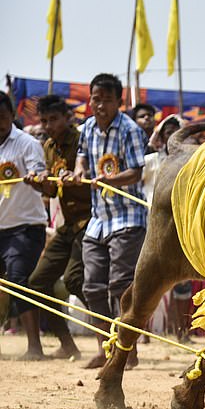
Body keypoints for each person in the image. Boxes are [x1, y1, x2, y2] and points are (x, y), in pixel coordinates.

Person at [64, 73, 149, 369]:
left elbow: (137, 172)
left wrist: (111, 179)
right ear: (90, 100)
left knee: (120, 286)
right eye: (95, 99)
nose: (100, 105)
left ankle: (128, 350)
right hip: (98, 221)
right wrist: (79, 170)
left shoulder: (130, 129)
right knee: (92, 288)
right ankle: (107, 346)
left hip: (128, 218)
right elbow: (82, 157)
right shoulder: (86, 127)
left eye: (107, 100)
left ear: (119, 102)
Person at [19, 95, 89, 360]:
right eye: (44, 120)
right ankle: (67, 344)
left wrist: (77, 180)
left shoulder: (82, 141)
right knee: (37, 282)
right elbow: (49, 189)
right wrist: (36, 183)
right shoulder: (47, 146)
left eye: (54, 119)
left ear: (67, 118)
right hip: (66, 224)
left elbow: (91, 177)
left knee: (75, 280)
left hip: (90, 222)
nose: (48, 125)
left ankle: (112, 332)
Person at [0, 91, 48, 360]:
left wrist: (36, 177)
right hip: (0, 227)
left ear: (11, 117)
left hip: (26, 227)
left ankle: (35, 347)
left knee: (18, 281)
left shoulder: (27, 143)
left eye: (3, 118)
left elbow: (40, 173)